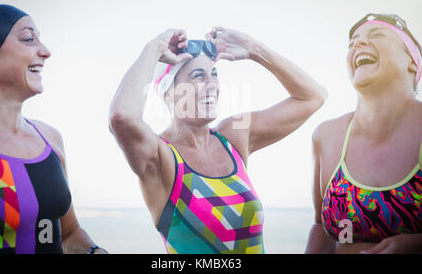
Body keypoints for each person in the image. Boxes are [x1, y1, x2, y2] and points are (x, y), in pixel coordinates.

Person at [109, 27, 327, 253]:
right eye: (198, 76)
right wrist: (153, 48)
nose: (212, 85)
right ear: (168, 93)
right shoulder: (159, 155)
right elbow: (121, 117)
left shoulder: (233, 137)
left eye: (214, 75)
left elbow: (312, 97)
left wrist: (255, 50)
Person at [0, 4, 106, 254]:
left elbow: (69, 235)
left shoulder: (50, 139)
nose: (45, 52)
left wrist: (95, 252)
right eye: (28, 39)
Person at [305, 13, 422, 254]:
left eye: (376, 35)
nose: (357, 44)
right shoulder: (326, 137)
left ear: (412, 61)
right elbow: (323, 230)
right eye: (352, 43)